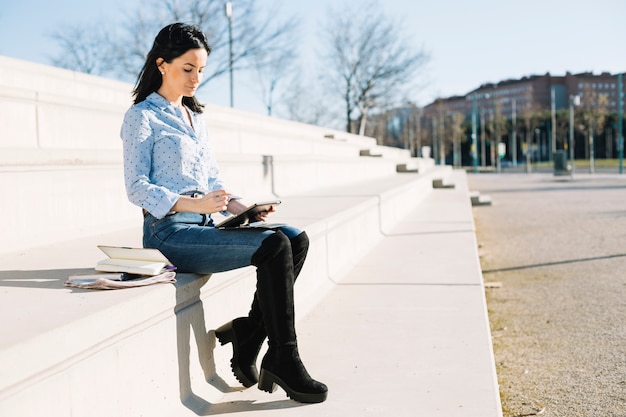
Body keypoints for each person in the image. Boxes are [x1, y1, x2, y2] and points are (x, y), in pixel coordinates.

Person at [120, 22, 327, 404]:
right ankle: (282, 355)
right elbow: (137, 188)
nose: (196, 78)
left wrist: (240, 206)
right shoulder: (142, 117)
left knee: (295, 238)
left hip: (206, 225)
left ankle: (250, 334)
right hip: (169, 233)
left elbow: (212, 178)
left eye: (201, 71)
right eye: (188, 69)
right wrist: (193, 204)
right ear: (162, 64)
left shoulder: (195, 118)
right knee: (274, 246)